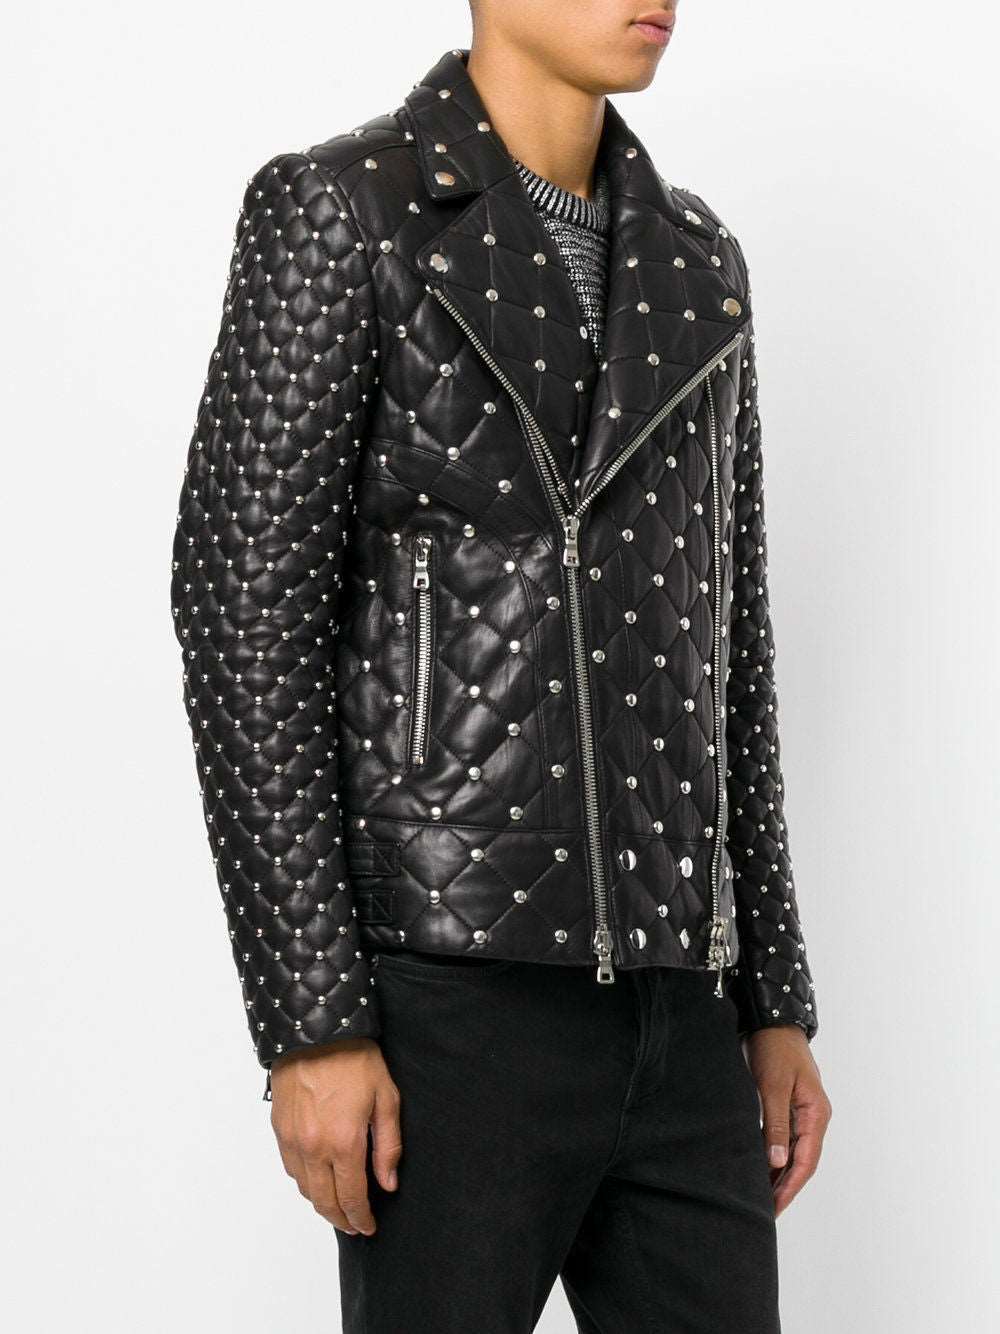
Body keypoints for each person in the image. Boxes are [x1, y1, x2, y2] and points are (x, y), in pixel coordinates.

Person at [169, 3, 832, 1330]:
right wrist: (312, 1019)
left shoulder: (699, 260)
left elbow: (733, 643)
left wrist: (772, 995)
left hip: (680, 1005)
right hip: (447, 1002)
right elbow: (242, 618)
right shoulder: (343, 212)